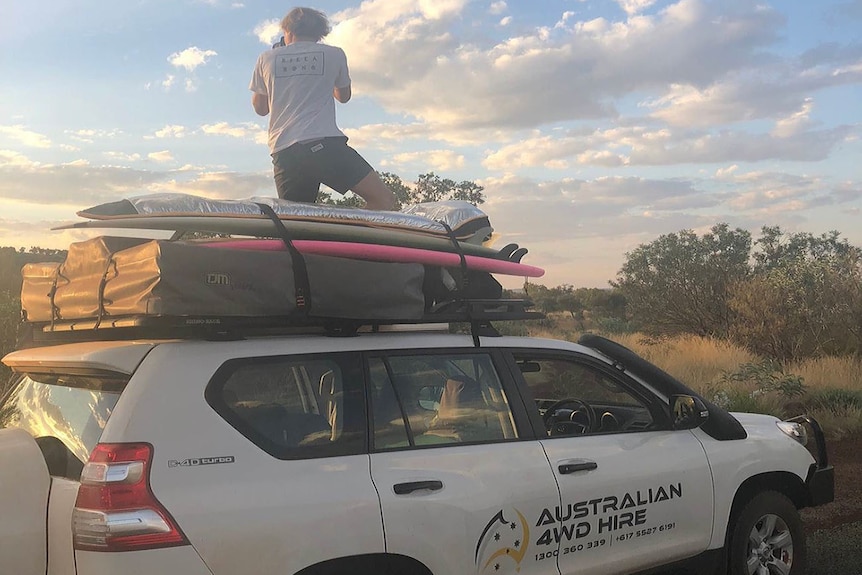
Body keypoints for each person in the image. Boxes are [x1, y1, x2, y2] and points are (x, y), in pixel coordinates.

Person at [249, 7, 397, 210]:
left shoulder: (267, 58)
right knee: (383, 200)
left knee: (297, 223)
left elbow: (260, 108)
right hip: (323, 145)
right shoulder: (334, 54)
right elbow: (343, 97)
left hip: (284, 152)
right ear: (319, 34)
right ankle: (346, 238)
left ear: (288, 31)